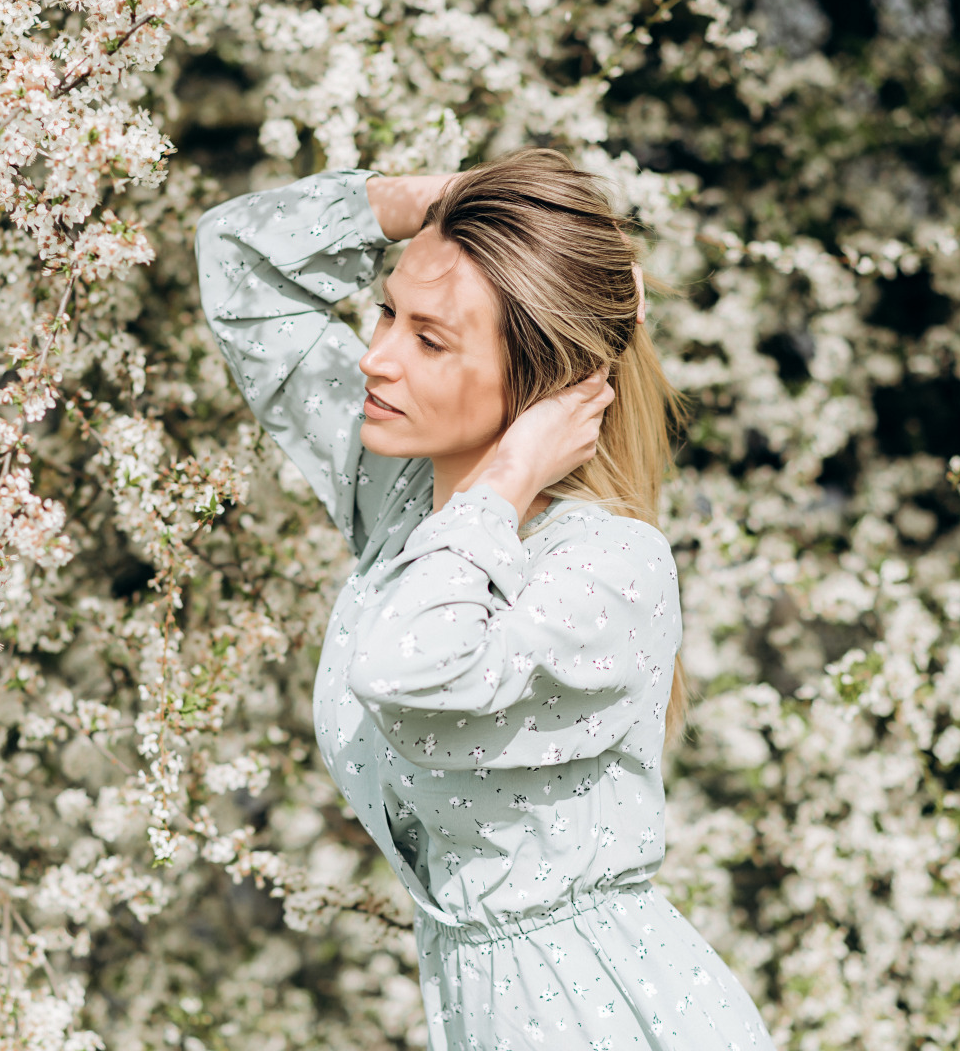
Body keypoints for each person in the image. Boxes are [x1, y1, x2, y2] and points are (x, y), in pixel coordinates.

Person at [194, 148, 773, 1050]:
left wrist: (504, 477)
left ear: (543, 380)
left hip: (607, 1019)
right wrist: (442, 202)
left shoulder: (607, 566)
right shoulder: (402, 501)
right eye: (385, 313)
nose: (376, 360)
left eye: (429, 339)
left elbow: (407, 675)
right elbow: (237, 259)